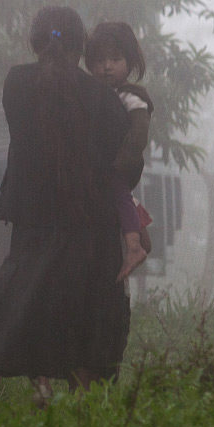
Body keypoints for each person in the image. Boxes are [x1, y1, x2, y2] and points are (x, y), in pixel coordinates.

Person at [0, 6, 131, 403]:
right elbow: (119, 168)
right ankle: (85, 402)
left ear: (35, 42)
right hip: (90, 222)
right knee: (85, 307)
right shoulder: (105, 100)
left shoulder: (16, 84)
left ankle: (40, 383)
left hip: (33, 216)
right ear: (82, 47)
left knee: (33, 297)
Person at [85, 21, 155, 283]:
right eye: (100, 60)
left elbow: (139, 133)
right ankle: (140, 227)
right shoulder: (96, 94)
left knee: (118, 191)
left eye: (115, 59)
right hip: (105, 163)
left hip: (118, 164)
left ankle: (134, 247)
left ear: (130, 62)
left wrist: (121, 164)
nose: (106, 66)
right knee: (123, 199)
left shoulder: (130, 96)